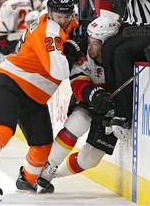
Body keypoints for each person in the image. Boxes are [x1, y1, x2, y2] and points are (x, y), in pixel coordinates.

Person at [0, 0, 83, 203]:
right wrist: (72, 52)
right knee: (0, 129)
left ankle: (27, 179)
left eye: (66, 15)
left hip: (34, 96)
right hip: (11, 83)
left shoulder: (63, 22)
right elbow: (60, 71)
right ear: (50, 13)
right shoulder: (49, 32)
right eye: (58, 15)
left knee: (43, 146)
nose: (63, 20)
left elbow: (74, 25)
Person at [36, 15, 120, 193]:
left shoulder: (121, 58)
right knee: (78, 122)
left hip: (114, 109)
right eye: (89, 41)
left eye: (95, 43)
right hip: (89, 102)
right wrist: (94, 95)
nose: (89, 47)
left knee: (91, 159)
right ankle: (49, 166)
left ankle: (57, 173)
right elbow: (78, 84)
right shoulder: (84, 57)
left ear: (108, 43)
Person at [89, 0, 150, 141]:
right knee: (108, 48)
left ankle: (123, 114)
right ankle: (113, 105)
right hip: (132, 28)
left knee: (123, 52)